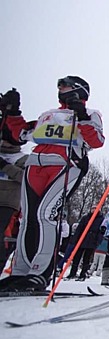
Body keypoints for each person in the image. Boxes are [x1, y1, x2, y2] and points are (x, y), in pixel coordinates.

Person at [0, 76, 104, 291]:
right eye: (59, 86)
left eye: (65, 86)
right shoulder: (48, 114)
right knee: (28, 217)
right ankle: (20, 271)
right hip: (35, 164)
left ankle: (40, 271)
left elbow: (96, 140)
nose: (60, 89)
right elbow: (20, 135)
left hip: (66, 164)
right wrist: (12, 112)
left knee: (46, 215)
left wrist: (82, 115)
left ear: (79, 90)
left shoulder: (91, 113)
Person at [0, 89, 28, 269]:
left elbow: (25, 178)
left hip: (8, 204)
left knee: (3, 238)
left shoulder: (23, 159)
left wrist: (5, 167)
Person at [67, 206, 104, 281]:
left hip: (92, 240)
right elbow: (79, 228)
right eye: (92, 209)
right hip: (82, 239)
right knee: (77, 257)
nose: (93, 210)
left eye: (95, 209)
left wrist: (98, 241)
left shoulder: (101, 219)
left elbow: (101, 232)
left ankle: (83, 273)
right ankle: (73, 272)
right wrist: (75, 239)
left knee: (86, 258)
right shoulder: (85, 218)